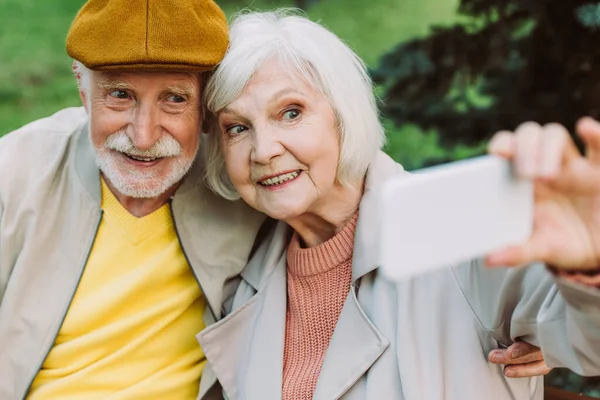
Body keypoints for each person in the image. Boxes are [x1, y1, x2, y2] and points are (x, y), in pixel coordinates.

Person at [197, 10, 600, 400]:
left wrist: (588, 265)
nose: (263, 151)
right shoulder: (246, 277)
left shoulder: (456, 230)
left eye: (290, 112)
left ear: (344, 115)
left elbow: (589, 342)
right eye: (238, 128)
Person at [0, 0, 267, 398]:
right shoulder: (15, 170)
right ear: (83, 89)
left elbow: (345, 172)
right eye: (120, 94)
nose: (143, 137)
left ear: (209, 105)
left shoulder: (248, 179)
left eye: (175, 99)